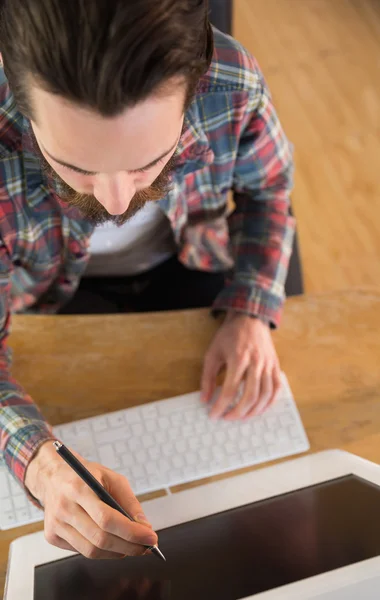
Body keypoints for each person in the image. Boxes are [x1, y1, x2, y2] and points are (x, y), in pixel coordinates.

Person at [0, 0, 295, 560]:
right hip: (46, 297)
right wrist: (38, 462)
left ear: (196, 87)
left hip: (193, 263)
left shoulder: (234, 83)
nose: (114, 201)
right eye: (74, 165)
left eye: (149, 161)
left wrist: (251, 309)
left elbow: (268, 191)